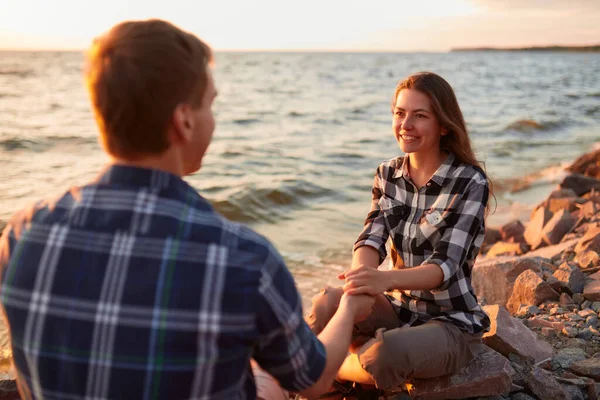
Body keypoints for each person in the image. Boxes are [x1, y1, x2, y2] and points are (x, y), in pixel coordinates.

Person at [0, 19, 375, 400]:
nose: (213, 119)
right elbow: (312, 381)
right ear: (184, 120)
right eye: (209, 104)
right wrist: (347, 310)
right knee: (268, 381)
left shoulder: (23, 231)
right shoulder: (242, 259)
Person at [307, 72, 491, 396]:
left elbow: (444, 267)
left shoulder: (469, 182)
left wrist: (384, 280)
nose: (406, 124)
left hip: (451, 323)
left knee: (384, 354)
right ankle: (330, 380)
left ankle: (317, 369)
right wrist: (362, 279)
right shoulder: (387, 174)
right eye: (400, 113)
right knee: (326, 303)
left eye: (420, 116)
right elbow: (371, 237)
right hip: (398, 310)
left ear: (443, 125)